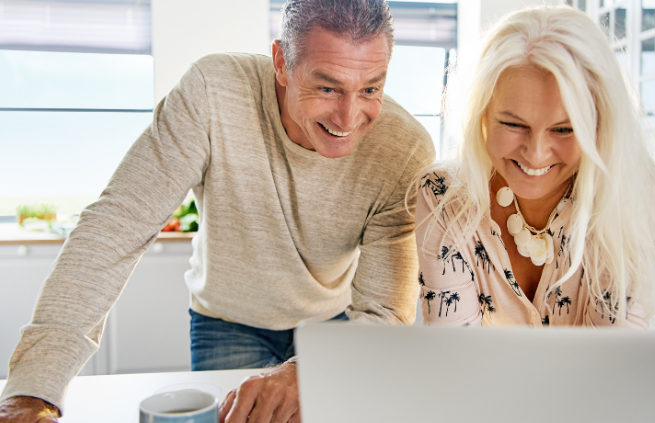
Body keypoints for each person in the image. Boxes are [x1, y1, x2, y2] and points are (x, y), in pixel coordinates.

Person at [0, 0, 435, 422]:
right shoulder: (214, 92)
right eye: (327, 87)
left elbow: (384, 313)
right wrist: (31, 389)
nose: (348, 116)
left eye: (370, 88)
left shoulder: (404, 150)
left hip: (334, 325)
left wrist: (311, 368)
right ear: (281, 63)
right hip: (226, 322)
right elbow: (117, 225)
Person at [415, 6, 655, 328]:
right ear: (481, 115)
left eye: (564, 129)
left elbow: (612, 362)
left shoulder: (636, 203)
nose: (536, 154)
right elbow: (452, 350)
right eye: (513, 124)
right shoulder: (443, 196)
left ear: (601, 126)